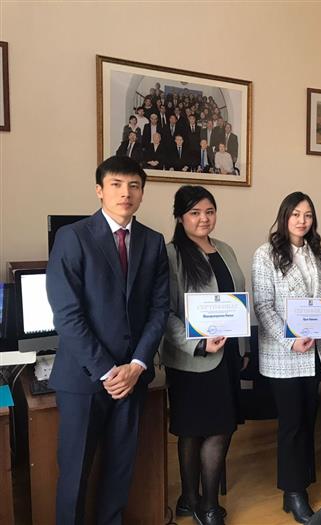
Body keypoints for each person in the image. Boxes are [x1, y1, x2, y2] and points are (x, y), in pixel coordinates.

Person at [45, 156, 169, 524]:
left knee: (119, 470)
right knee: (74, 475)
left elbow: (159, 309)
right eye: (116, 184)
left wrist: (137, 365)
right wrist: (107, 370)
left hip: (132, 377)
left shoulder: (153, 241)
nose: (125, 193)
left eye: (134, 186)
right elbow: (67, 314)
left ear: (142, 193)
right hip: (84, 379)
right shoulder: (73, 237)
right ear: (100, 190)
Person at [252, 192, 321, 524]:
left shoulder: (315, 253)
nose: (302, 221)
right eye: (295, 214)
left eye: (307, 215)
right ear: (284, 217)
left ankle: (300, 482)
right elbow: (263, 306)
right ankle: (293, 492)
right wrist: (290, 340)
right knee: (291, 424)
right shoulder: (265, 254)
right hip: (285, 355)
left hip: (316, 352)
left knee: (308, 419)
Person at [162, 186, 248, 525]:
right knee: (195, 430)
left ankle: (191, 500)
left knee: (220, 426)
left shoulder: (224, 249)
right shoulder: (171, 255)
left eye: (209, 211)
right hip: (192, 359)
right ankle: (205, 505)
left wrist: (242, 348)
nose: (204, 218)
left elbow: (238, 302)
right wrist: (197, 344)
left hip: (226, 355)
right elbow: (164, 313)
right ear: (180, 217)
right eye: (195, 212)